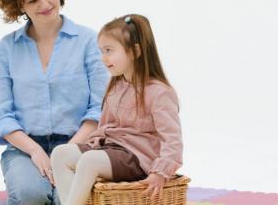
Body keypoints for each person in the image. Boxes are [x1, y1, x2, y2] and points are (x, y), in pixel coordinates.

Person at [0, 0, 109, 205]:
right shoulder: (7, 48)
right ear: (20, 5)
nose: (44, 4)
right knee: (30, 195)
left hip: (80, 145)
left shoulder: (88, 40)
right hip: (25, 149)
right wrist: (34, 150)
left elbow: (101, 107)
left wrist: (67, 153)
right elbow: (1, 114)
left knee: (68, 199)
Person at [50, 14, 183, 205]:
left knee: (89, 161)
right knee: (60, 153)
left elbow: (173, 141)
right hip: (110, 150)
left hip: (137, 158)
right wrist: (95, 143)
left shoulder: (159, 93)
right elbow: (104, 126)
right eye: (101, 51)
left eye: (109, 51)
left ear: (135, 51)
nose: (103, 58)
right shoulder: (115, 87)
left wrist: (160, 173)